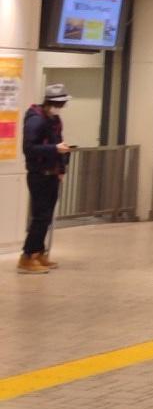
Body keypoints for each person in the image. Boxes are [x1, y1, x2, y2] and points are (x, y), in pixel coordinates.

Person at [19, 82, 71, 275]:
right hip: (39, 175)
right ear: (51, 102)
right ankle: (27, 256)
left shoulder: (54, 120)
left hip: (52, 174)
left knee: (46, 217)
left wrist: (62, 166)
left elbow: (59, 142)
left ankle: (38, 253)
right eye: (60, 103)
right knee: (40, 217)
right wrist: (54, 149)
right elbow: (29, 148)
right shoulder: (36, 120)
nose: (61, 107)